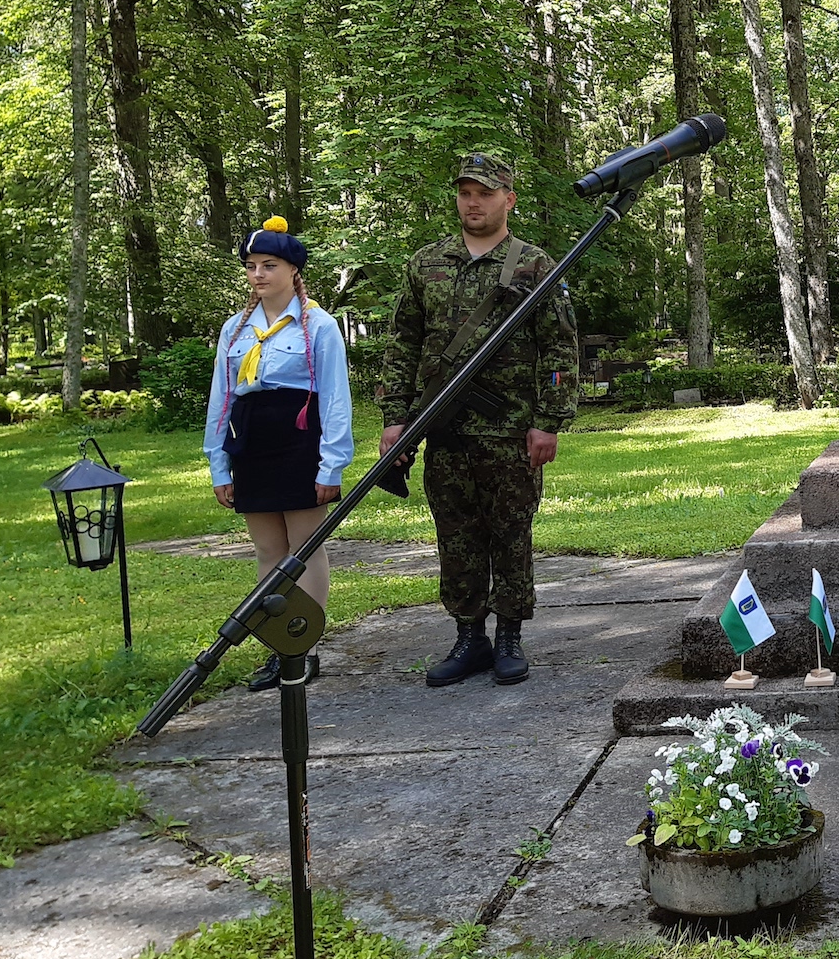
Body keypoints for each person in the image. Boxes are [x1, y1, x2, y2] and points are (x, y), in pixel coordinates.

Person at [379, 155, 578, 688]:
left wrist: (549, 420)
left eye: (485, 193)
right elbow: (403, 344)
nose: (473, 202)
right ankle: (469, 637)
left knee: (511, 533)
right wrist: (396, 418)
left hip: (510, 429)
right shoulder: (426, 263)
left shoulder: (535, 264)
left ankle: (509, 634)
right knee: (456, 535)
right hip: (443, 429)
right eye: (466, 192)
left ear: (508, 199)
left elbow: (559, 350)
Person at [203, 217, 354, 691]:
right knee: (268, 551)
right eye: (251, 266)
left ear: (293, 271)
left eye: (269, 265)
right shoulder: (236, 328)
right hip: (252, 444)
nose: (258, 274)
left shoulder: (318, 325)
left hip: (298, 441)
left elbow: (334, 399)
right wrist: (219, 462)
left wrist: (332, 462)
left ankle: (303, 645)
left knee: (304, 550)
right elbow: (221, 398)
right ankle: (277, 647)